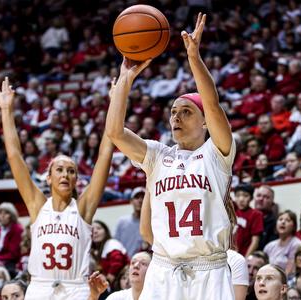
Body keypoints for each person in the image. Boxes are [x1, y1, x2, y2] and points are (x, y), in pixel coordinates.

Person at [105, 14, 236, 299]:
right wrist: (126, 79)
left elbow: (213, 104)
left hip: (209, 270)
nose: (176, 116)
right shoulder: (157, 156)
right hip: (163, 270)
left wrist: (194, 59)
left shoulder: (216, 154)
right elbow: (114, 132)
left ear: (205, 122)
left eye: (186, 111)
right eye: (173, 112)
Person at [0, 76, 113, 300]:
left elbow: (104, 155)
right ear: (48, 178)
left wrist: (114, 104)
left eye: (71, 171)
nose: (65, 174)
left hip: (75, 289)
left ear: (76, 180)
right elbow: (14, 156)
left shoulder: (82, 209)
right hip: (40, 288)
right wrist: (6, 110)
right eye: (59, 170)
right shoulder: (38, 205)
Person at [263, 210, 301, 275]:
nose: (283, 222)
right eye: (280, 219)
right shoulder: (269, 246)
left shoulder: (297, 245)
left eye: (288, 220)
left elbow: (290, 272)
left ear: (294, 226)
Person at [0, 202, 23, 272]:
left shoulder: (17, 229)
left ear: (12, 215)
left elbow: (13, 254)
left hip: (9, 262)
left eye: (6, 213)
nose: (3, 216)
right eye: (0, 213)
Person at [233, 184, 264, 256]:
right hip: (230, 255)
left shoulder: (256, 214)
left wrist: (245, 260)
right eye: (238, 195)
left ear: (251, 198)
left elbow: (255, 242)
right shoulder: (232, 213)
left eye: (245, 195)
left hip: (243, 256)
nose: (241, 199)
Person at [114, 187, 145, 257]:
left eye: (143, 198)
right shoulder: (122, 222)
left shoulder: (153, 223)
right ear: (131, 201)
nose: (140, 200)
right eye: (137, 197)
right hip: (125, 265)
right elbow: (116, 245)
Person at [254, 185, 279, 250]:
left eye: (266, 197)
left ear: (272, 202)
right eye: (258, 195)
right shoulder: (248, 217)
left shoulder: (276, 223)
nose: (261, 199)